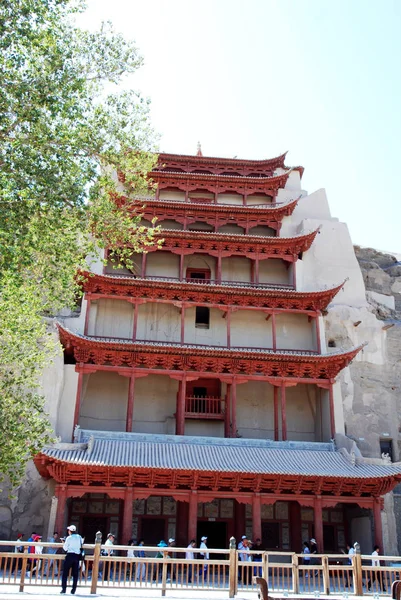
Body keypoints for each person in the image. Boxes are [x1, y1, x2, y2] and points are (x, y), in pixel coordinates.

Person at [60, 525, 83, 595]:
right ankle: (73, 590)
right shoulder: (79, 537)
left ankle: (64, 589)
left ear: (70, 531)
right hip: (76, 556)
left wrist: (63, 542)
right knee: (75, 574)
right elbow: (81, 545)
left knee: (65, 573)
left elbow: (65, 548)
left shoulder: (69, 538)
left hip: (70, 555)